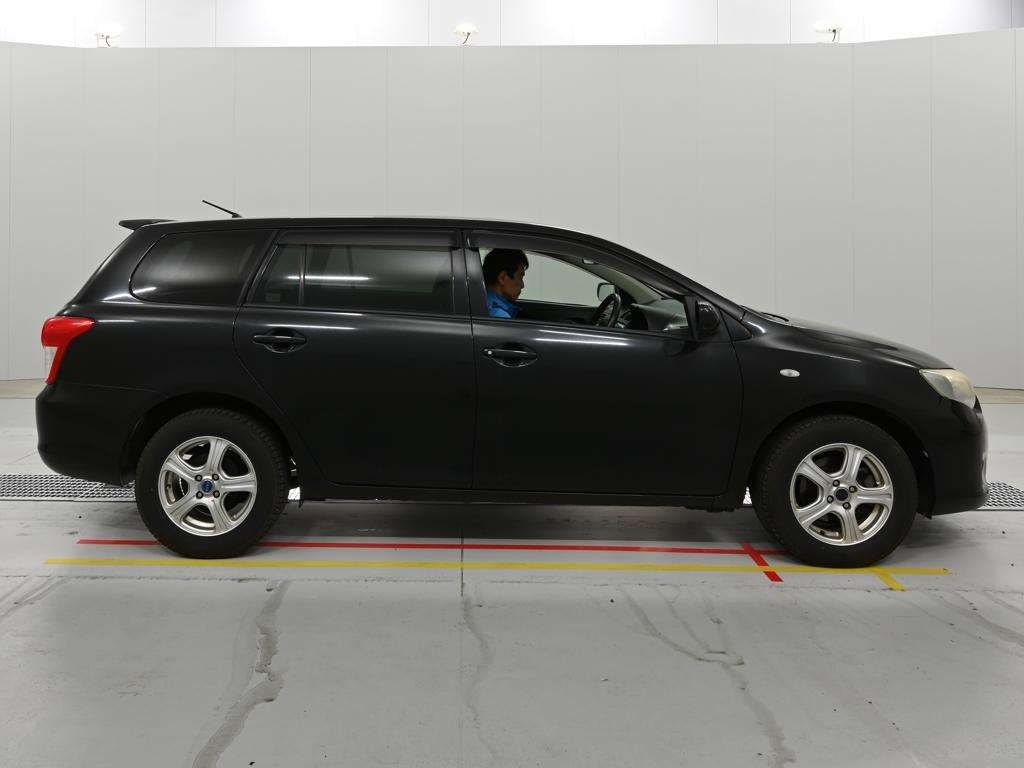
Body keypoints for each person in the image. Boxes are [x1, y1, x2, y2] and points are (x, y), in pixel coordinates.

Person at [482, 248, 529, 319]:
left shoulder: (484, 300)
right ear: (502, 278)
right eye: (520, 278)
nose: (522, 285)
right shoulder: (500, 315)